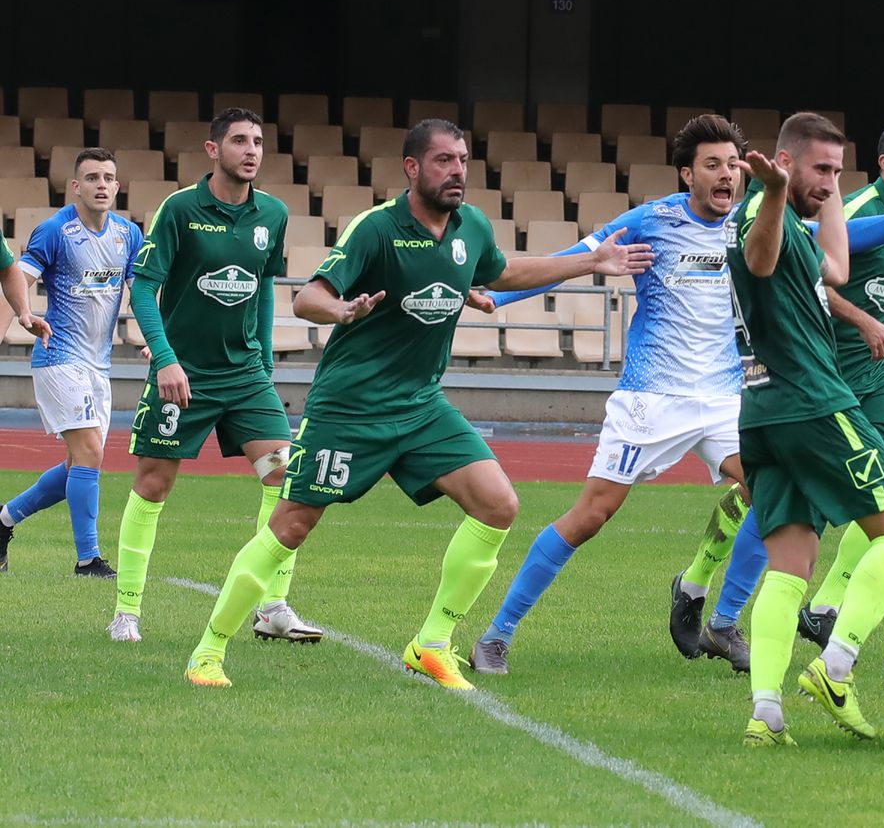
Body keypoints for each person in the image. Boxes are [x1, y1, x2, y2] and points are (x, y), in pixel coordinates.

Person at [182, 119, 653, 690]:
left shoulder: (470, 227)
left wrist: (588, 262)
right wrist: (344, 310)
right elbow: (309, 296)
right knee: (292, 525)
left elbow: (501, 271)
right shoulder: (376, 228)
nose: (457, 171)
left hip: (422, 406)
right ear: (412, 168)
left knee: (498, 505)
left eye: (462, 160)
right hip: (349, 410)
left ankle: (431, 645)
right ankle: (207, 653)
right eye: (443, 161)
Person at [672, 119, 884, 654]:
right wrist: (866, 322)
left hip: (870, 375)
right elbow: (818, 277)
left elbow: (867, 283)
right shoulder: (862, 207)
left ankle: (823, 609)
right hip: (823, 372)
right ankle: (709, 594)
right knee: (777, 499)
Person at [466, 114, 753, 677]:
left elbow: (826, 249)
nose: (726, 176)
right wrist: (498, 302)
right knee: (591, 515)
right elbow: (580, 257)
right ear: (687, 174)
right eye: (713, 165)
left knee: (773, 493)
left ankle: (714, 613)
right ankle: (497, 634)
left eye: (734, 165)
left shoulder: (750, 225)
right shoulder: (654, 220)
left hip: (723, 398)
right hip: (652, 398)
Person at [728, 111, 884, 746]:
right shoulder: (766, 211)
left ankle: (765, 712)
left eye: (839, 171)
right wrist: (783, 191)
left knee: (789, 565)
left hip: (762, 411)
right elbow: (760, 261)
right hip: (813, 404)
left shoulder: (792, 212)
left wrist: (826, 190)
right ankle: (835, 668)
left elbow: (836, 268)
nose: (831, 181)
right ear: (785, 164)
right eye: (822, 168)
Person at [109, 110, 317, 645]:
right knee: (154, 485)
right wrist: (165, 359)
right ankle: (126, 611)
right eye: (240, 141)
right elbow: (143, 290)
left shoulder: (273, 213)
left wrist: (265, 361)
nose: (251, 151)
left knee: (284, 479)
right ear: (212, 149)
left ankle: (272, 606)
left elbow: (265, 287)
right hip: (184, 375)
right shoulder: (179, 210)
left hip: (246, 378)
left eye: (259, 142)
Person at [0, 151, 123, 576]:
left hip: (98, 366)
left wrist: (158, 343)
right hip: (58, 357)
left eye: (108, 177)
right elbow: (17, 277)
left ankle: (2, 520)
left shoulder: (128, 234)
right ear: (76, 186)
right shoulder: (54, 231)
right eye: (92, 178)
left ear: (118, 186)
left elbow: (143, 292)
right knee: (89, 453)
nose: (101, 185)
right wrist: (24, 315)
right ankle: (88, 559)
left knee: (78, 463)